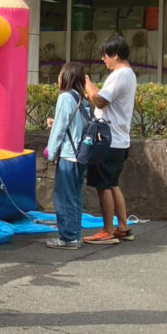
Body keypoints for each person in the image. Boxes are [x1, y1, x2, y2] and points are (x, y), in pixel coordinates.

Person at [83, 34, 137, 245]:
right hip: (120, 139)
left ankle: (107, 230)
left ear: (115, 55)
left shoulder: (119, 75)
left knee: (103, 186)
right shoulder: (129, 74)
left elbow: (100, 101)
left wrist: (86, 83)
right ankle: (122, 226)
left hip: (107, 140)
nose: (103, 59)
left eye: (105, 55)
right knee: (113, 183)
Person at [45, 63, 91, 250]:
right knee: (75, 197)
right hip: (80, 155)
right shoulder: (81, 99)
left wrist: (50, 152)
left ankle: (68, 237)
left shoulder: (65, 97)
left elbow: (59, 129)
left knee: (64, 198)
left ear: (66, 77)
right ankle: (75, 234)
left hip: (68, 155)